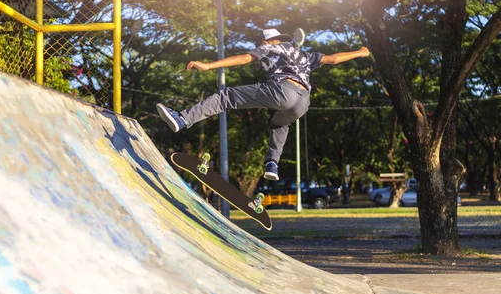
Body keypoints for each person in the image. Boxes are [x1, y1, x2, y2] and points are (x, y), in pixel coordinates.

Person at [156, 28, 371, 181]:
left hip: (282, 90)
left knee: (226, 97)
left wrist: (209, 65)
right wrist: (360, 53)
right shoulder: (303, 55)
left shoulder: (269, 48)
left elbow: (244, 58)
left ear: (268, 41)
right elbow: (333, 59)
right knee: (280, 124)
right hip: (303, 102)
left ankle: (183, 118)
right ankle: (272, 164)